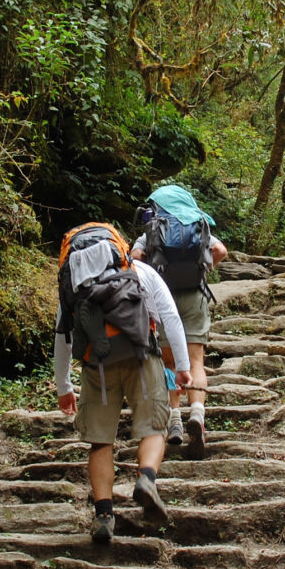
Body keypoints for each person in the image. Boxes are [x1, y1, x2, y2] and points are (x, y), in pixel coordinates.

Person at [53, 224, 192, 544]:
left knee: (101, 442)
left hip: (97, 365)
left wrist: (64, 387)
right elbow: (170, 317)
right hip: (141, 355)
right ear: (120, 248)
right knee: (154, 428)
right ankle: (146, 478)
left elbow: (63, 334)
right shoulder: (139, 271)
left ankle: (104, 514)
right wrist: (183, 368)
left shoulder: (74, 281)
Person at [130, 185, 227, 460]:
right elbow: (220, 250)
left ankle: (174, 419)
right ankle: (197, 414)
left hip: (162, 300)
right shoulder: (197, 224)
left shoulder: (152, 229)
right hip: (194, 297)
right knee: (196, 360)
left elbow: (135, 258)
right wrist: (203, 269)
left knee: (169, 362)